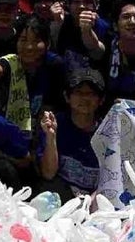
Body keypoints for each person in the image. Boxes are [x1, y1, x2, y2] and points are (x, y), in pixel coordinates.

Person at [35, 66, 107, 199]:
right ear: (67, 97)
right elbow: (48, 173)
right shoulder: (55, 124)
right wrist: (51, 138)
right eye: (78, 92)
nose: (84, 98)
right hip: (61, 197)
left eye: (91, 94)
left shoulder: (110, 131)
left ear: (101, 100)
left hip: (97, 200)